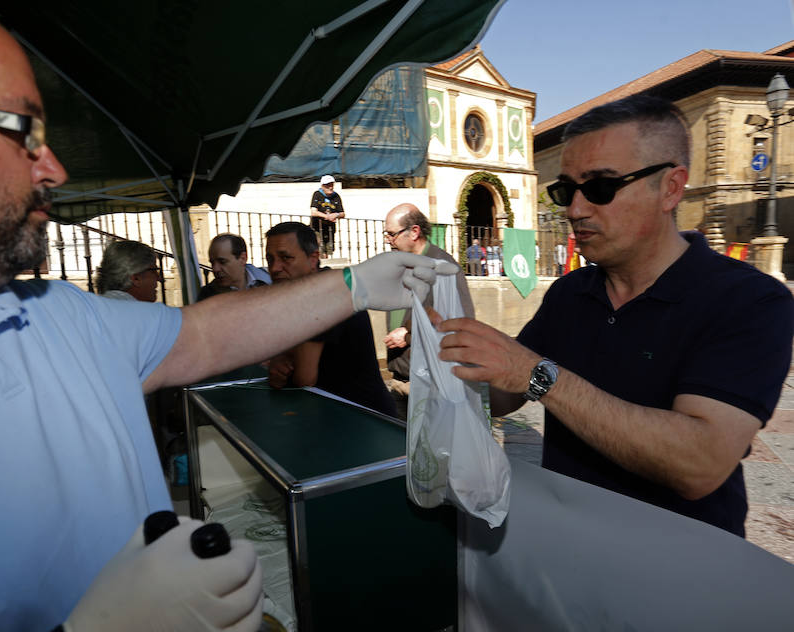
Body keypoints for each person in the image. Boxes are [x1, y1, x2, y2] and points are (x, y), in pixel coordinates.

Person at [0, 2, 456, 629]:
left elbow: (202, 333)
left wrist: (352, 283)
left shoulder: (60, 314)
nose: (53, 167)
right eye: (22, 131)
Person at [438, 95, 794, 536]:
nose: (575, 209)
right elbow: (506, 396)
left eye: (601, 187)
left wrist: (536, 374)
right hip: (570, 550)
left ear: (671, 187)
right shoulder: (571, 293)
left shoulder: (749, 299)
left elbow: (699, 464)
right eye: (566, 190)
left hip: (685, 570)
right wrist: (448, 338)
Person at [264, 222, 397, 417]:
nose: (275, 268)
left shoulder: (324, 295)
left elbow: (304, 378)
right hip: (336, 417)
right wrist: (280, 359)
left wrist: (282, 367)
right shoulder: (303, 296)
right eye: (270, 259)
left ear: (313, 259)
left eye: (286, 258)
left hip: (364, 421)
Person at [382, 204, 474, 419]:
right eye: (386, 234)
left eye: (392, 234)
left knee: (432, 451)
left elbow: (461, 323)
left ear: (414, 232)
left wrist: (409, 335)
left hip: (431, 383)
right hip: (400, 380)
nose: (388, 240)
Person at [198, 233, 270, 301]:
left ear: (243, 258)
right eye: (212, 263)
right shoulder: (207, 296)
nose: (215, 269)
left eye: (222, 262)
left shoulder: (270, 281)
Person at [95, 239, 161, 302]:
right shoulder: (147, 312)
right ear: (136, 278)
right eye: (154, 271)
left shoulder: (96, 306)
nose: (159, 278)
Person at [309, 174, 344, 258]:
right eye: (327, 185)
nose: (330, 187)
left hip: (330, 228)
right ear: (322, 186)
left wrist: (336, 214)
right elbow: (313, 212)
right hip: (317, 227)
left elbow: (342, 213)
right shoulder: (317, 194)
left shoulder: (336, 196)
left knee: (329, 249)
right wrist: (327, 216)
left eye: (331, 184)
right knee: (319, 249)